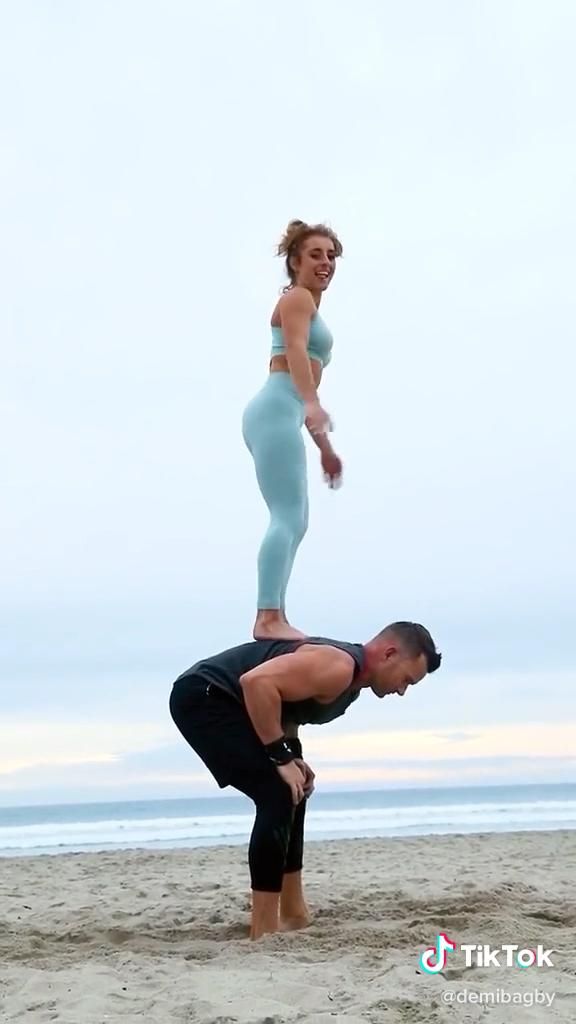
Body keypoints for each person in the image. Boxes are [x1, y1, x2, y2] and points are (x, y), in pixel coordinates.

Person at [169, 621, 442, 940]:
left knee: (294, 789)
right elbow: (256, 683)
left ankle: (294, 912)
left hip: (235, 704)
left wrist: (291, 755)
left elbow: (286, 705)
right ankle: (264, 928)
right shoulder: (338, 666)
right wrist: (279, 757)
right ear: (390, 653)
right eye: (407, 679)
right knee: (275, 794)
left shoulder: (351, 685)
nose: (403, 690)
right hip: (205, 696)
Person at [242, 219, 344, 642]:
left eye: (331, 256)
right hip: (275, 408)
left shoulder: (308, 305)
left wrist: (325, 448)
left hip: (284, 411)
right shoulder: (297, 297)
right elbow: (297, 352)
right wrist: (312, 403)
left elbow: (304, 391)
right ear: (295, 262)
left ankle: (276, 614)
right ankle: (267, 617)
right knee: (286, 515)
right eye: (316, 254)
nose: (326, 262)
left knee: (296, 519)